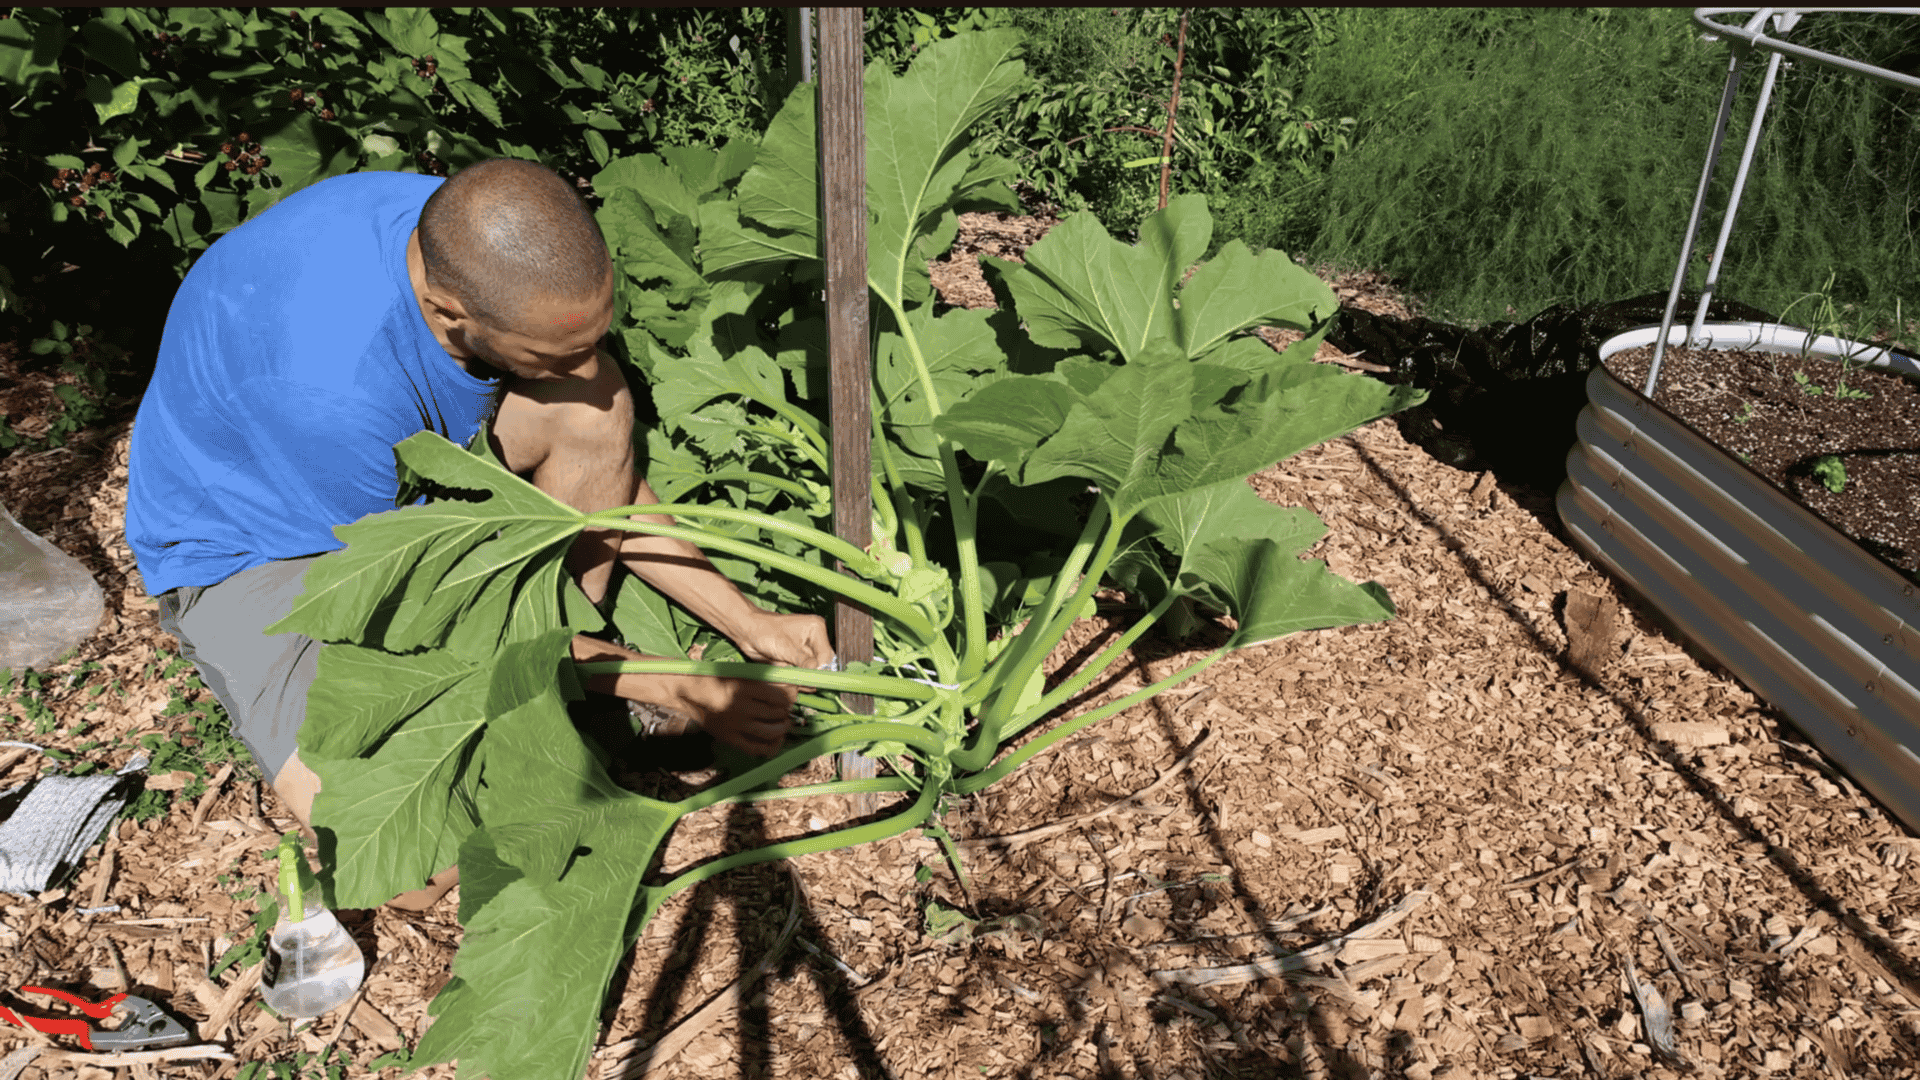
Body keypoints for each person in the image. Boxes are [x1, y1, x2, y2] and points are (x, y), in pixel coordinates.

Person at [125, 158, 832, 909]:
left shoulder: (460, 226)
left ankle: (565, 680)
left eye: (596, 332)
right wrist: (664, 677)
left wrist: (746, 620)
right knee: (413, 868)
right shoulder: (323, 394)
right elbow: (411, 615)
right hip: (264, 552)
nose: (584, 361)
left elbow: (598, 454)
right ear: (450, 313)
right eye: (555, 352)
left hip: (394, 468)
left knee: (593, 405)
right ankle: (579, 677)